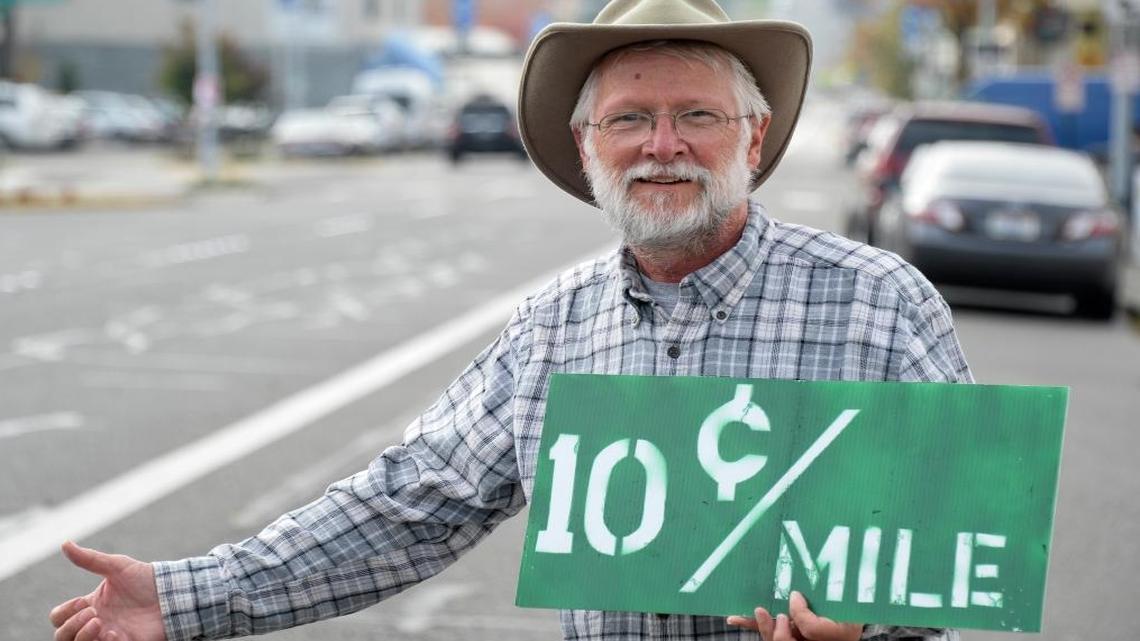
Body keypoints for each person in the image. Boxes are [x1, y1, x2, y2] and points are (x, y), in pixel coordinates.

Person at [49, 1, 971, 640]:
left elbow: (957, 537)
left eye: (697, 113)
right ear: (586, 145)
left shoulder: (878, 302)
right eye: (629, 119)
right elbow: (411, 504)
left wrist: (870, 623)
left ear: (755, 135)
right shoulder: (552, 328)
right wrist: (186, 597)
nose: (663, 145)